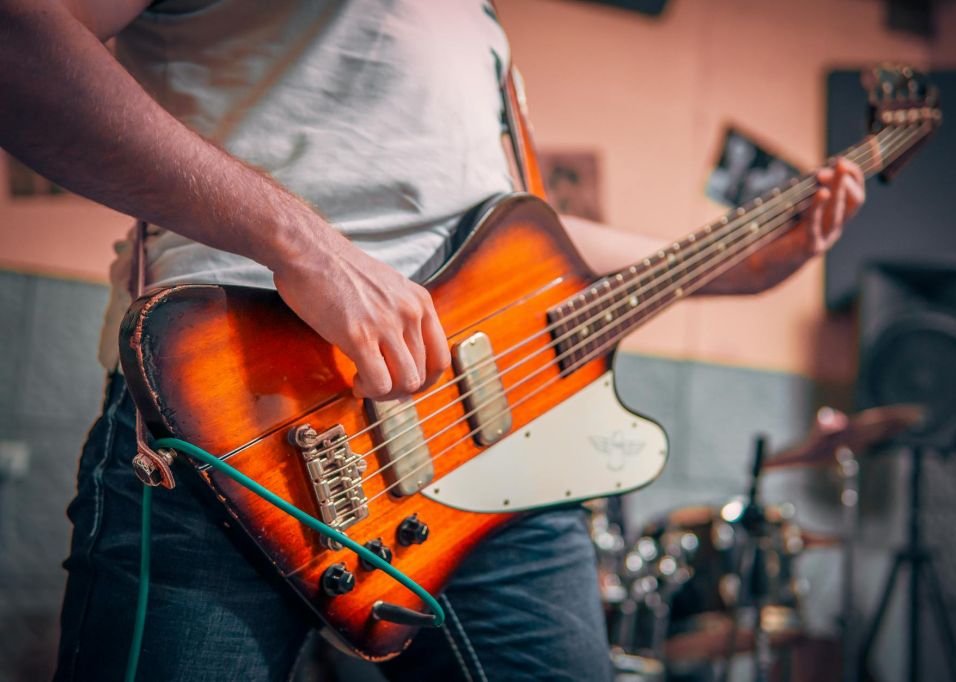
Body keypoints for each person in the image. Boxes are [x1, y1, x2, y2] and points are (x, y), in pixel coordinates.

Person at [0, 1, 865, 680]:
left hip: (495, 461)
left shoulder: (479, 26)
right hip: (241, 417)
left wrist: (744, 268)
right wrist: (304, 245)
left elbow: (524, 243)